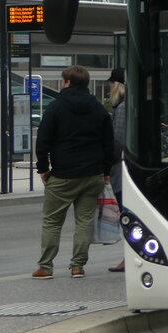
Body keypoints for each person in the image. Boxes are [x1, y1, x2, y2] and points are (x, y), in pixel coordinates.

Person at [32, 65, 113, 279]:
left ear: (67, 82)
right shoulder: (98, 108)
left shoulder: (56, 107)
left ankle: (46, 267)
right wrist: (105, 171)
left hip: (64, 173)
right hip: (93, 173)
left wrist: (43, 168)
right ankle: (78, 266)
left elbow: (43, 140)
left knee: (52, 221)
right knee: (84, 221)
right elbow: (108, 143)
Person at [107, 67, 127, 273]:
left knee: (125, 214)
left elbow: (118, 140)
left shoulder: (122, 108)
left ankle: (129, 256)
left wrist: (107, 166)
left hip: (122, 171)